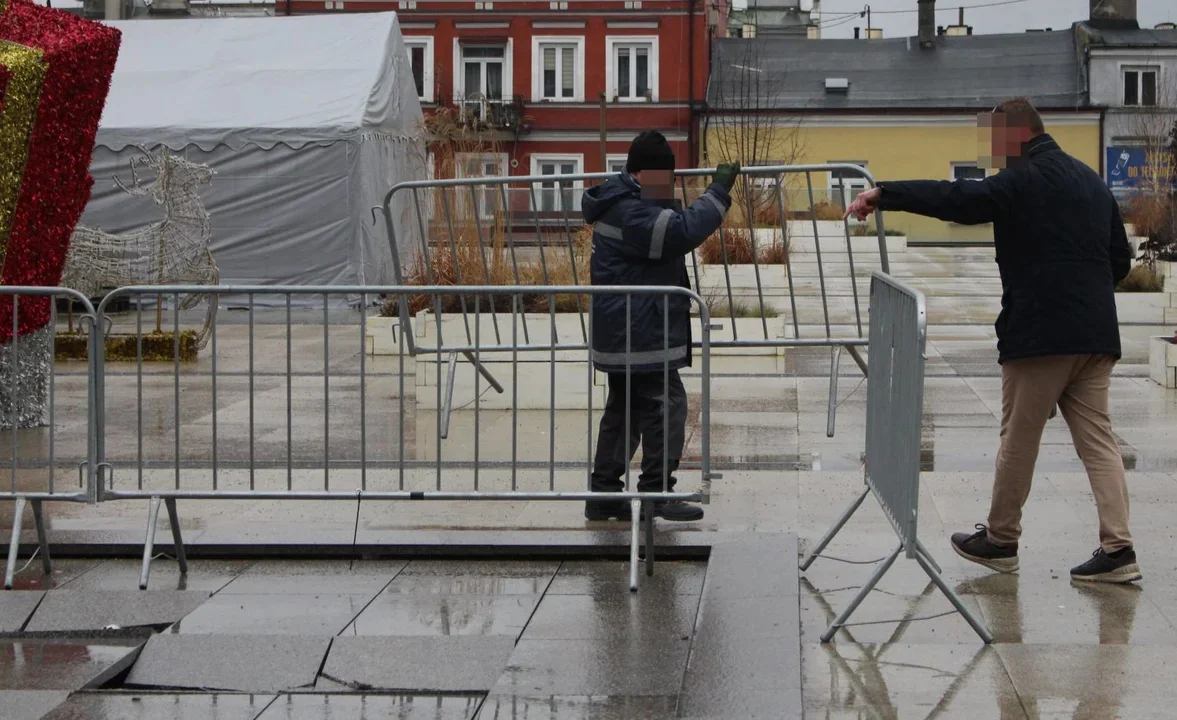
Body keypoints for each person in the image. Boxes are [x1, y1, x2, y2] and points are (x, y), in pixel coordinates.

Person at [845, 97, 1140, 584]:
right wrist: (1083, 293)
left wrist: (887, 193)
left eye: (996, 142)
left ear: (1016, 137)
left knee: (1019, 440)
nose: (992, 153)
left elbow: (955, 199)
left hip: (1040, 336)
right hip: (1095, 337)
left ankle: (1001, 540)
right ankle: (1118, 549)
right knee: (1099, 444)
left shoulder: (1020, 180)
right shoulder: (1092, 182)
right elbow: (1120, 260)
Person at [580, 130, 739, 522]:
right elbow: (679, 232)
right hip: (639, 331)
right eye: (664, 175)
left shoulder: (625, 200)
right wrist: (717, 192)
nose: (669, 183)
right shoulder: (630, 210)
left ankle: (603, 495)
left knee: (625, 411)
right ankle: (656, 494)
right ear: (645, 173)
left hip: (627, 328)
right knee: (667, 405)